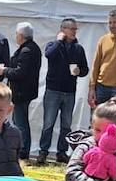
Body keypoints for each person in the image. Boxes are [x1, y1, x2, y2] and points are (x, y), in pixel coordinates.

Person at [36, 18, 89, 164]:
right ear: (63, 29)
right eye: (71, 29)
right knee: (48, 123)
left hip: (69, 91)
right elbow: (48, 55)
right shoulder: (53, 45)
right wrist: (59, 41)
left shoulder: (78, 48)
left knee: (66, 124)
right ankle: (43, 151)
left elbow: (85, 69)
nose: (74, 32)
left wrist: (79, 71)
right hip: (53, 90)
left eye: (75, 29)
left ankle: (62, 152)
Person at [5, 22, 41, 160]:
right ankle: (20, 148)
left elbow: (20, 72)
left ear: (21, 35)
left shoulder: (27, 50)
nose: (16, 36)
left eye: (16, 34)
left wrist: (5, 70)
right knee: (19, 121)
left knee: (20, 122)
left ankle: (23, 150)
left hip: (22, 92)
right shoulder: (31, 48)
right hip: (24, 91)